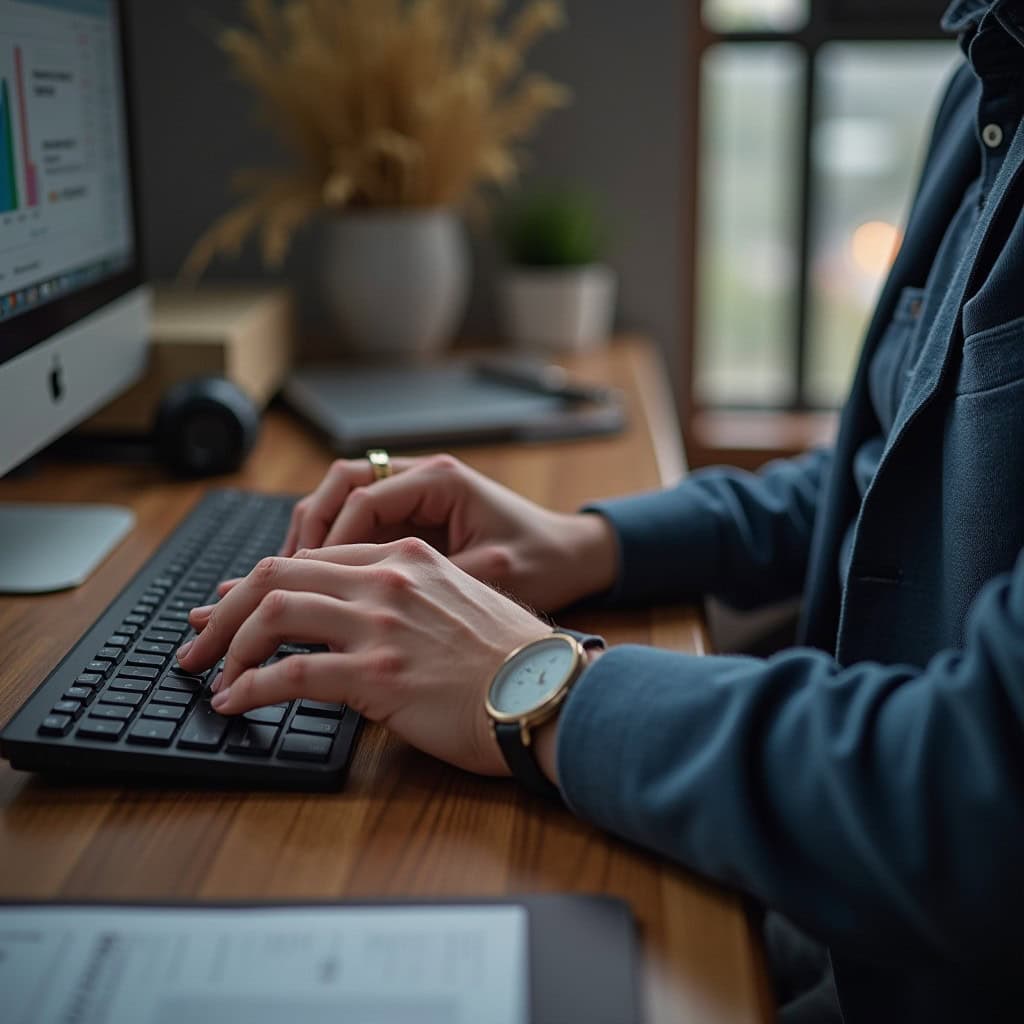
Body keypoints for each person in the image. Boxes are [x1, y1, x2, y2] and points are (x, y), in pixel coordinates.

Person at [176, 2, 1024, 1020]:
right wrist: (589, 541)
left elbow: (975, 788)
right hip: (822, 904)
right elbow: (888, 477)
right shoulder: (987, 78)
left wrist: (537, 686)